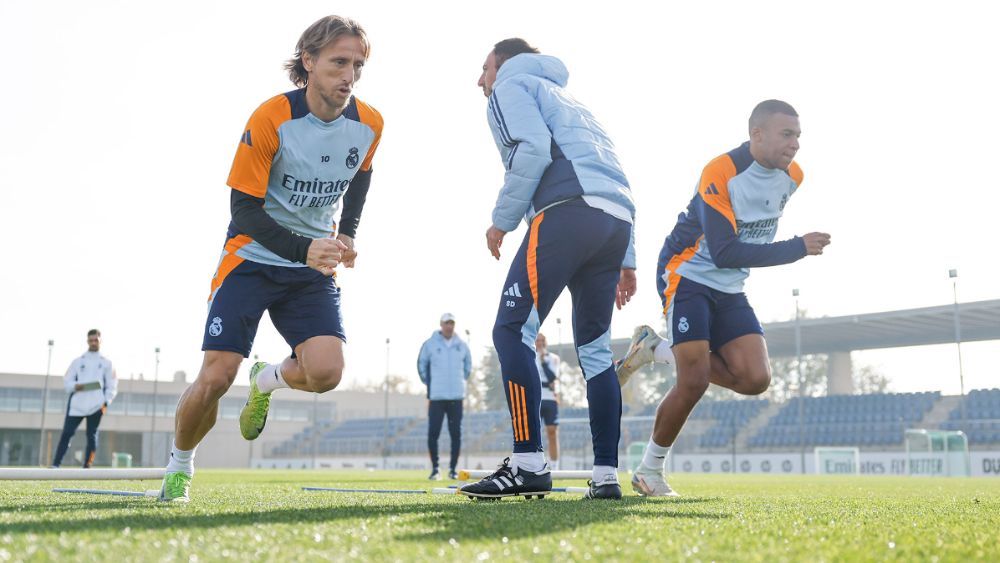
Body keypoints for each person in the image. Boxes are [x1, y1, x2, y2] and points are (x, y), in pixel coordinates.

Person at [158, 15, 383, 502]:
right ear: (309, 61)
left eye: (358, 66)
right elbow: (243, 211)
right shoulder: (270, 118)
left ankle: (267, 380)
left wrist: (347, 233)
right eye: (339, 62)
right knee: (216, 377)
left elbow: (362, 175)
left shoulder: (370, 123)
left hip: (310, 265)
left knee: (326, 373)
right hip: (252, 256)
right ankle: (180, 466)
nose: (349, 76)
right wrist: (306, 247)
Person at [616, 100, 831, 497]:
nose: (795, 144)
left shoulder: (794, 176)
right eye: (787, 134)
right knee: (693, 380)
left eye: (798, 135)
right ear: (757, 134)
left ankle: (656, 349)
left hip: (730, 286)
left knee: (755, 379)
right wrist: (797, 247)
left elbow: (745, 242)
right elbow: (724, 251)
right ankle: (649, 471)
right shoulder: (720, 171)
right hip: (688, 274)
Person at [459, 38, 637, 501]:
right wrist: (628, 255)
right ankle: (604, 477)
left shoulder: (509, 87)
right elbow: (615, 172)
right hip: (615, 221)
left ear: (505, 62)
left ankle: (527, 464)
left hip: (566, 213)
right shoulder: (572, 101)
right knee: (596, 353)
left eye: (484, 68)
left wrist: (500, 221)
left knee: (511, 330)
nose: (480, 79)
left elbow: (533, 149)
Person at [417, 313, 473, 480]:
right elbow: (421, 364)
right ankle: (435, 469)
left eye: (452, 323)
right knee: (433, 432)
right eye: (446, 323)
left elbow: (468, 367)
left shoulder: (462, 345)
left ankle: (452, 469)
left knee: (456, 433)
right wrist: (430, 384)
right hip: (436, 397)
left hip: (456, 396)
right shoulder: (430, 344)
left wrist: (460, 382)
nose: (449, 326)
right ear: (441, 324)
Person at [51, 329, 118, 468]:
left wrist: (106, 402)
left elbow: (112, 385)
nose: (93, 343)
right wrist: (78, 386)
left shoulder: (107, 363)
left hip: (96, 405)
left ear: (100, 341)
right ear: (87, 341)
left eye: (96, 340)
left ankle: (87, 466)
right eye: (91, 340)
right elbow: (67, 382)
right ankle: (55, 465)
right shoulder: (77, 361)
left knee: (92, 436)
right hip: (76, 405)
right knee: (67, 433)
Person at [535, 333, 561, 470]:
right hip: (536, 397)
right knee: (534, 432)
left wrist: (543, 361)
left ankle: (554, 466)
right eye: (537, 340)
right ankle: (536, 464)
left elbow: (552, 377)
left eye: (542, 340)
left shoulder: (553, 358)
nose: (540, 343)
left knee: (552, 431)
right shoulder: (531, 357)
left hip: (550, 398)